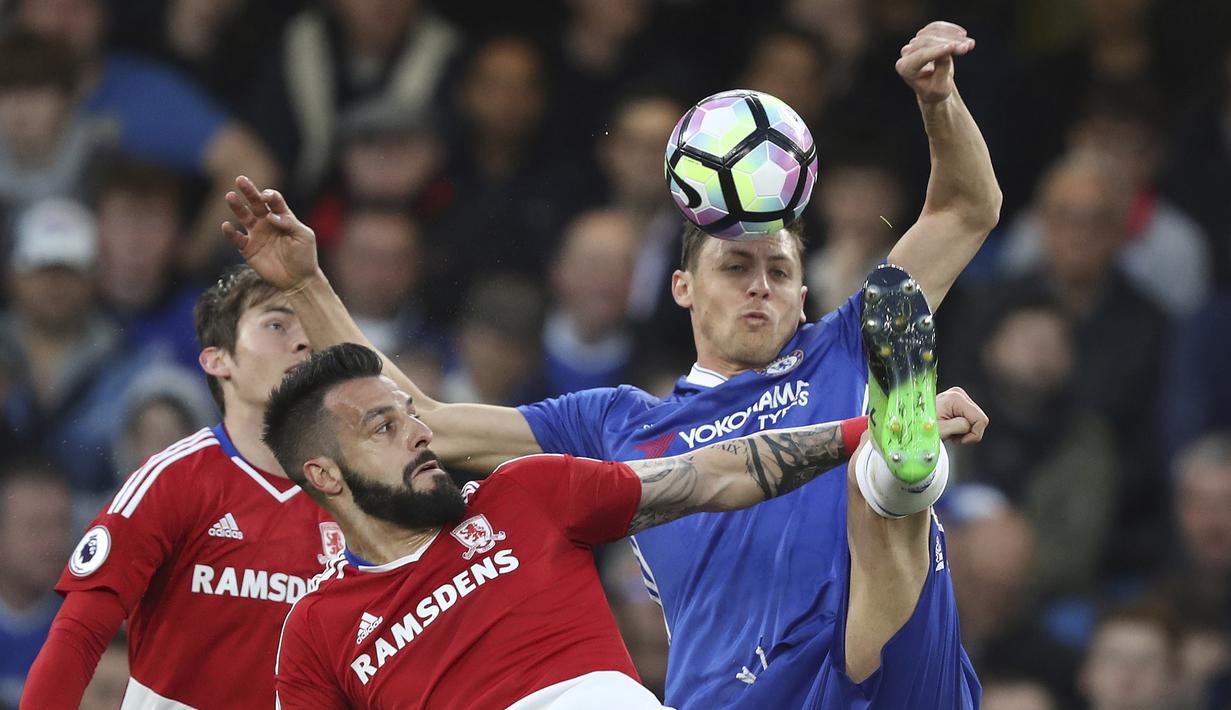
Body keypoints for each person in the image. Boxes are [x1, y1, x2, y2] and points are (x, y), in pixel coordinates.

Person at [225, 19, 1000, 709]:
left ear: (805, 291)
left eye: (779, 270)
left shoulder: (843, 341)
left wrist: (937, 101)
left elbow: (963, 209)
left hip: (886, 646)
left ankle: (900, 462)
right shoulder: (618, 421)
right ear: (680, 287)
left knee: (888, 493)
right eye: (736, 269)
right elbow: (424, 423)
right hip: (737, 689)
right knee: (875, 460)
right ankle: (894, 458)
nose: (760, 286)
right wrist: (306, 284)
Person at [266, 341, 984, 708]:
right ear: (325, 475)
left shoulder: (524, 494)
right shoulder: (317, 630)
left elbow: (714, 473)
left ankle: (894, 474)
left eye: (413, 413)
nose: (419, 431)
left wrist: (866, 428)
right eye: (383, 427)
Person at [20, 265, 339, 708]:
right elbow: (77, 636)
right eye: (276, 324)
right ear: (218, 359)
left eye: (310, 328)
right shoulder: (173, 478)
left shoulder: (352, 498)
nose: (302, 342)